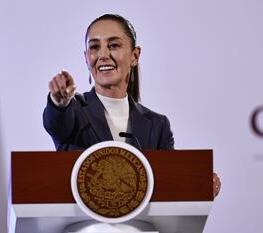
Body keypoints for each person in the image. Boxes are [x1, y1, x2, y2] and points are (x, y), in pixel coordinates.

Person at [43, 14, 221, 197]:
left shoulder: (157, 125)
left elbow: (169, 181)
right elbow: (56, 122)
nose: (103, 55)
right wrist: (59, 101)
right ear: (86, 58)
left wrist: (198, 183)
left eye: (113, 45)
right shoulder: (73, 111)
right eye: (95, 47)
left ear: (135, 56)